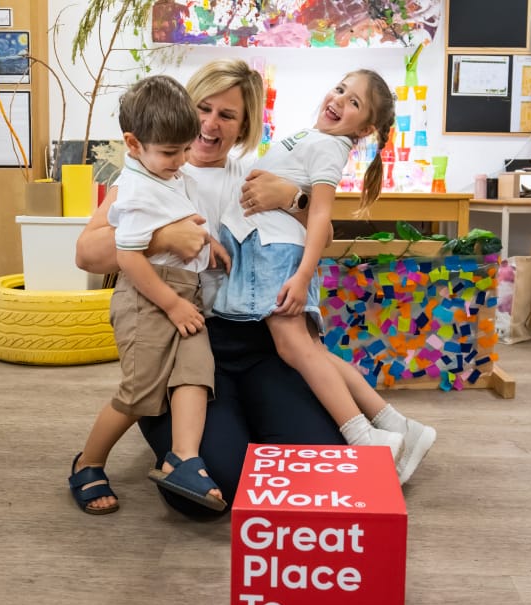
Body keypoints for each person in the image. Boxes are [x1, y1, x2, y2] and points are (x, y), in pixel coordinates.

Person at [75, 59, 435, 518]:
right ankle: (174, 436)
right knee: (215, 490)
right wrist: (163, 238)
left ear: (244, 127)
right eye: (202, 108)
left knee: (329, 460)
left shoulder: (254, 173)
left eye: (227, 116)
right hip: (186, 341)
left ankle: (261, 424)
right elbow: (88, 253)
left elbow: (317, 233)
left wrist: (293, 198)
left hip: (257, 341)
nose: (209, 124)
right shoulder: (153, 170)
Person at [212, 68, 418, 461]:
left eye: (354, 102)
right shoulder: (314, 138)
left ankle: (365, 437)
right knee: (307, 349)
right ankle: (393, 425)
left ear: (365, 127)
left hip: (272, 250)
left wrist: (304, 274)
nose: (339, 99)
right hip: (265, 248)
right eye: (340, 89)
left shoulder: (329, 148)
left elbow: (322, 217)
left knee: (296, 349)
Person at [69, 75, 231, 515]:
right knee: (141, 391)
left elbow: (184, 216)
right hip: (148, 297)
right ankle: (88, 462)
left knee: (196, 373)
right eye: (169, 152)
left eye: (184, 149)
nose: (180, 161)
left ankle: (183, 458)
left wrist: (208, 240)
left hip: (183, 295)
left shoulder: (168, 172)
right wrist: (173, 303)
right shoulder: (136, 188)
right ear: (134, 144)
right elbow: (131, 260)